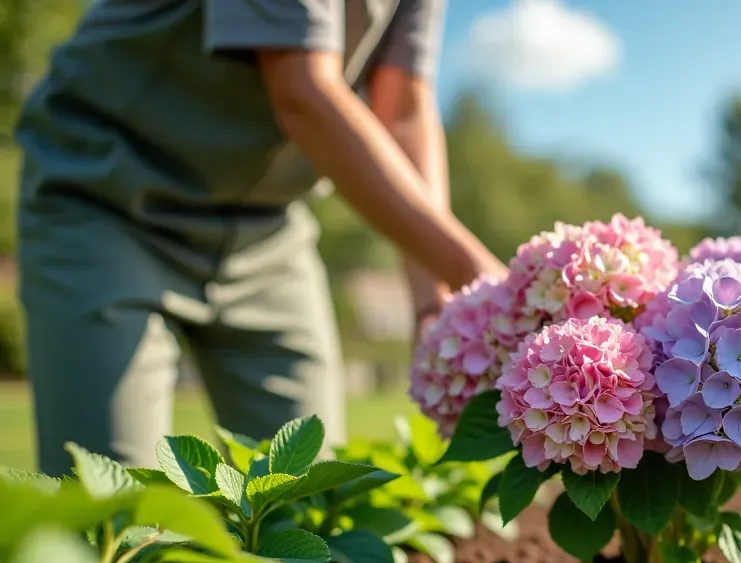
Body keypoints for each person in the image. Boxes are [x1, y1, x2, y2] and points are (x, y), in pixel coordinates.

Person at [15, 0, 502, 477]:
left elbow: (403, 107)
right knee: (113, 507)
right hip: (108, 195)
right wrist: (488, 282)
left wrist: (437, 298)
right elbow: (301, 89)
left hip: (265, 230)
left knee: (305, 503)